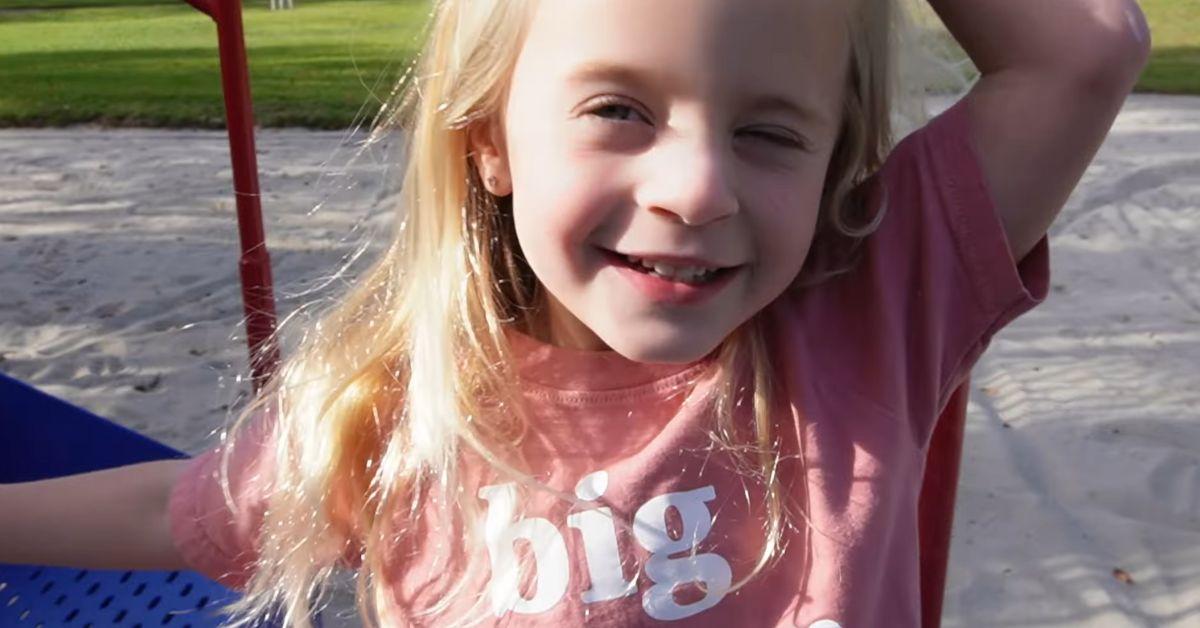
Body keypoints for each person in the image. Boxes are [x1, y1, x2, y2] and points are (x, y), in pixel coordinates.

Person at [0, 0, 1151, 626]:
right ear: (489, 140)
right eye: (617, 109)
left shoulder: (869, 312)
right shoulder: (408, 403)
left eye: (770, 132)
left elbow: (1084, 48)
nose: (696, 188)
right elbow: (181, 504)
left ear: (835, 164)